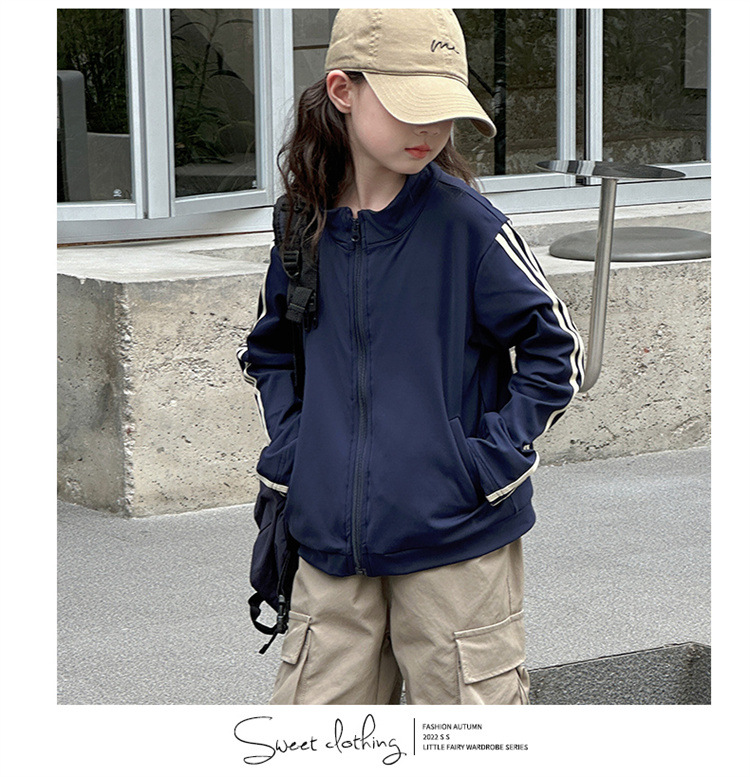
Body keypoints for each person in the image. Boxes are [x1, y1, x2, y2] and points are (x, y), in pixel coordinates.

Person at [237, 8, 584, 705]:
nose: (430, 129)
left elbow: (557, 350)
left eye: (444, 111)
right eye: (408, 106)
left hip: (456, 544)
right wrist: (299, 451)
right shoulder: (301, 223)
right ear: (343, 90)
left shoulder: (470, 228)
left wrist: (485, 462)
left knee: (466, 739)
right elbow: (270, 350)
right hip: (330, 548)